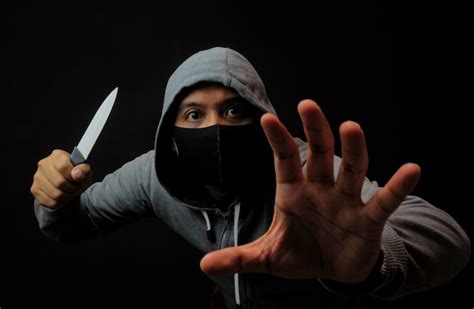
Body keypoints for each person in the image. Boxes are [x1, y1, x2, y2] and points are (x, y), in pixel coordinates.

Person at [30, 47, 470, 309]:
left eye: (235, 111)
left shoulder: (301, 171)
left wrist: (374, 263)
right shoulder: (154, 175)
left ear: (262, 121)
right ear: (173, 137)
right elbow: (69, 223)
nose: (216, 128)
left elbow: (450, 241)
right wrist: (53, 195)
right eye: (194, 114)